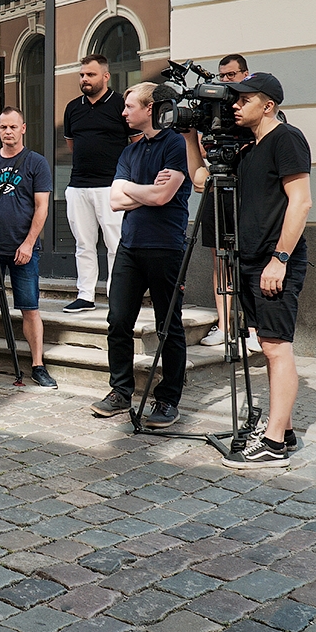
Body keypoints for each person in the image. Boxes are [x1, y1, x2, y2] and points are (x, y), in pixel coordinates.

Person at [218, 72, 312, 468]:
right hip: (252, 260)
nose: (236, 105)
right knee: (269, 346)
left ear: (268, 105)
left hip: (275, 261)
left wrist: (281, 258)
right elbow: (202, 179)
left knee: (277, 347)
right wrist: (188, 139)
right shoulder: (249, 148)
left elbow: (302, 202)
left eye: (244, 99)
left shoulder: (286, 139)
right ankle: (283, 430)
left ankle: (273, 444)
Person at [93, 82, 191, 427]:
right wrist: (144, 190)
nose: (123, 112)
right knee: (118, 321)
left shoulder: (175, 143)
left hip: (165, 246)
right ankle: (121, 391)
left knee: (168, 326)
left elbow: (164, 197)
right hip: (130, 247)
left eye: (129, 106)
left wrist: (134, 190)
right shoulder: (130, 152)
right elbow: (115, 200)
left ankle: (167, 399)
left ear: (150, 108)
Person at [0, 106, 57, 389]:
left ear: (23, 128)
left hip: (24, 247)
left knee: (30, 308)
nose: (7, 132)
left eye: (13, 127)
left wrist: (29, 244)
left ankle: (37, 365)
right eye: (3, 127)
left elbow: (41, 207)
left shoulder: (36, 162)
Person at [196, 54, 260, 354]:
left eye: (231, 75)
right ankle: (223, 326)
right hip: (217, 189)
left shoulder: (253, 109)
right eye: (221, 76)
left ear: (245, 75)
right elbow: (201, 153)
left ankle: (253, 329)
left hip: (246, 191)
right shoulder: (212, 111)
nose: (225, 81)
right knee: (220, 259)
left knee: (246, 260)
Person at [62, 55, 131, 313]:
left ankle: (117, 296)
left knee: (115, 243)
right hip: (78, 185)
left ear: (105, 76)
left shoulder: (121, 105)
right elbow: (72, 144)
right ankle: (85, 295)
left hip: (111, 185)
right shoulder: (73, 108)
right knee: (83, 243)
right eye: (82, 75)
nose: (84, 79)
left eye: (90, 75)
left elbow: (134, 142)